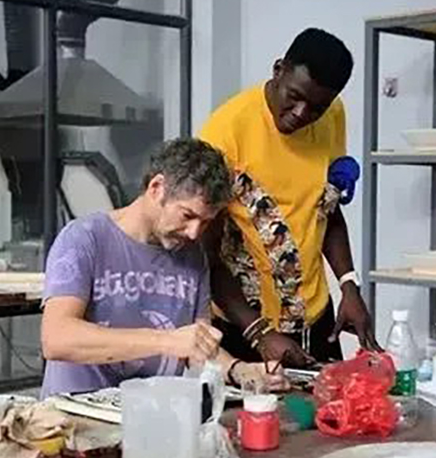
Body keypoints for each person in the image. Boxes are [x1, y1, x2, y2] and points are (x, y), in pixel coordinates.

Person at [40, 138, 286, 399]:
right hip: (75, 413)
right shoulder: (84, 239)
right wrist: (166, 341)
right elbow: (57, 339)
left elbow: (198, 347)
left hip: (152, 412)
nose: (194, 233)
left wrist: (239, 370)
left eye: (205, 222)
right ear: (156, 188)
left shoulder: (193, 256)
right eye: (187, 215)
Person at [200, 28, 381, 368]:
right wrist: (258, 333)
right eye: (294, 96)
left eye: (316, 108)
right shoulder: (224, 134)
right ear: (278, 69)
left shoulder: (332, 114)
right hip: (245, 326)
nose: (301, 113)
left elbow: (326, 209)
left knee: (336, 400)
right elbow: (205, 254)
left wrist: (349, 286)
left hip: (316, 319)